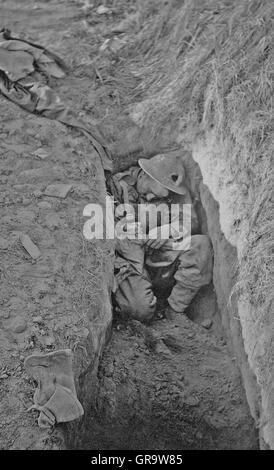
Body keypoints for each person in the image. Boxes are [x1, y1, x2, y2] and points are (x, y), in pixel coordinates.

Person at [108, 153, 213, 323]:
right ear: (145, 174)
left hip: (158, 257)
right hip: (129, 261)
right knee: (140, 311)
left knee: (200, 246)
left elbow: (189, 221)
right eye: (150, 192)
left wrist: (168, 230)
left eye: (158, 198)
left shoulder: (173, 192)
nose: (150, 198)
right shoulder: (117, 185)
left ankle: (175, 310)